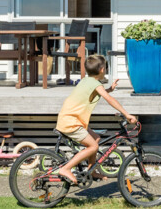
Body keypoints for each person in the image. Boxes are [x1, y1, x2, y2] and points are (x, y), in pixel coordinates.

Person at [54, 54, 137, 184]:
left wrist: (109, 89)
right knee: (93, 147)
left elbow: (96, 92)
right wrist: (127, 114)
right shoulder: (95, 83)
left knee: (96, 139)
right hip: (71, 122)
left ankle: (91, 170)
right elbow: (109, 99)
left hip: (71, 119)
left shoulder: (87, 80)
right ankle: (66, 168)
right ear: (102, 70)